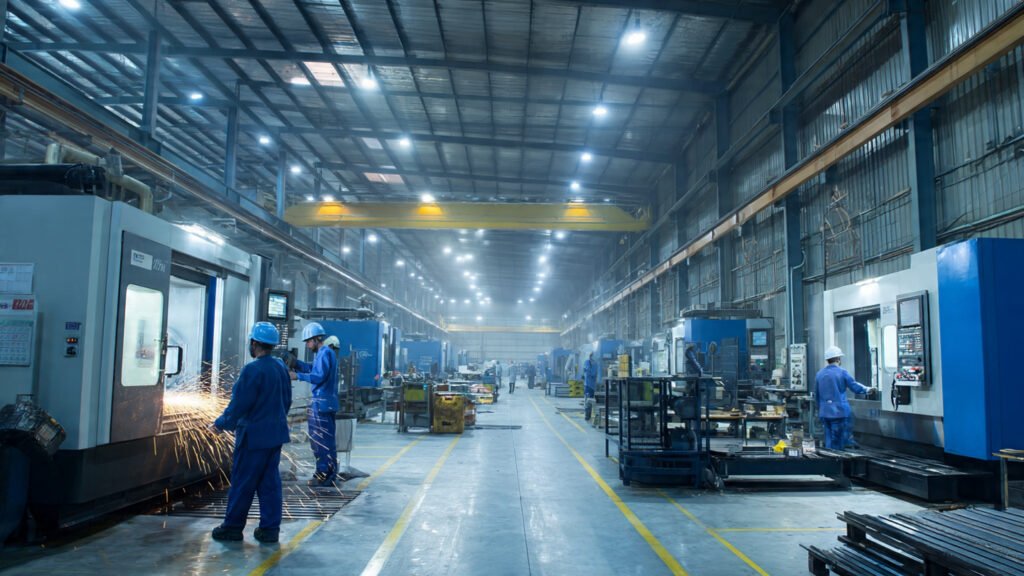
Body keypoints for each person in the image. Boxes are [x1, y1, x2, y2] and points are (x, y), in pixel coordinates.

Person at [210, 322, 292, 543]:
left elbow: (240, 404)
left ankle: (233, 527)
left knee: (243, 482)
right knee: (269, 483)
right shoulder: (280, 367)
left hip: (253, 437)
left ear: (254, 343)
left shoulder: (252, 369)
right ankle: (269, 530)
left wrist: (220, 423)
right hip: (275, 435)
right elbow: (287, 401)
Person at [290, 322, 339, 486]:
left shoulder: (325, 353)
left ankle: (324, 474)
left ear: (316, 339)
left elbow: (318, 377)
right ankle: (327, 472)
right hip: (323, 403)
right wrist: (297, 364)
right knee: (324, 441)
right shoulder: (323, 353)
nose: (306, 344)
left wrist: (297, 376)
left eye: (308, 341)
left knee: (321, 442)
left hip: (322, 404)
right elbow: (313, 368)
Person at [815, 346, 875, 450]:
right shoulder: (842, 372)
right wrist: (867, 389)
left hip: (824, 412)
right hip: (839, 412)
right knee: (838, 439)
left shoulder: (819, 374)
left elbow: (817, 395)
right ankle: (837, 460)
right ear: (838, 358)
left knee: (829, 438)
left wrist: (819, 409)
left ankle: (830, 459)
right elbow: (854, 386)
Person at [583, 353, 598, 420]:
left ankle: (590, 415)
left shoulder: (595, 364)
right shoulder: (587, 362)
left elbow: (594, 373)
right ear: (590, 356)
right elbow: (589, 372)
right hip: (588, 385)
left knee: (591, 401)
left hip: (593, 386)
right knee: (588, 401)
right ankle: (587, 416)